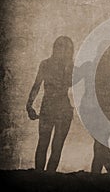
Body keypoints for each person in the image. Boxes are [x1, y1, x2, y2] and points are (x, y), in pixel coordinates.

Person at [26, 36, 74, 172]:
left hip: (60, 108)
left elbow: (71, 84)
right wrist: (29, 105)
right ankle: (42, 176)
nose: (62, 50)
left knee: (55, 146)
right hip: (51, 107)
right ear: (55, 47)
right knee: (44, 143)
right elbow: (37, 85)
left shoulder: (69, 66)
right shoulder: (46, 64)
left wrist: (29, 106)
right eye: (60, 46)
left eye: (65, 47)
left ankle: (48, 176)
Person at [73, 42, 110, 174]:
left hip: (98, 109)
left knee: (101, 142)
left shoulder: (107, 68)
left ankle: (99, 174)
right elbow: (72, 79)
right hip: (93, 109)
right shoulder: (97, 67)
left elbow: (72, 79)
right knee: (101, 142)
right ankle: (107, 173)